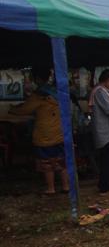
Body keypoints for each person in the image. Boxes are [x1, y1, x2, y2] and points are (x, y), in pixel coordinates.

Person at [9, 67, 70, 195]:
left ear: (36, 79)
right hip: (60, 132)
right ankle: (66, 187)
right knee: (61, 161)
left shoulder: (39, 95)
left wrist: (12, 109)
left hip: (45, 134)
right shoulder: (57, 92)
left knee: (47, 163)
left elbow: (24, 109)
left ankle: (51, 188)